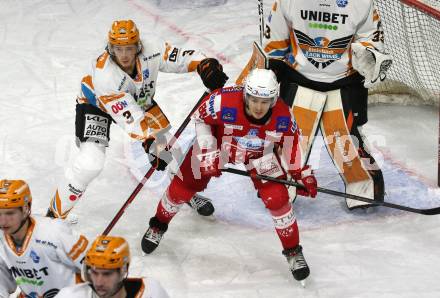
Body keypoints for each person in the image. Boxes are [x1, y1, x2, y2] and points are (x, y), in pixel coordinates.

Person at [141, 68, 318, 283]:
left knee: (278, 199)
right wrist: (207, 150)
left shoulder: (283, 115)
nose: (259, 107)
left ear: (273, 100)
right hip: (220, 145)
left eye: (265, 101)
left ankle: (293, 252)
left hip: (260, 154)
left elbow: (291, 144)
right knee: (182, 186)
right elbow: (200, 118)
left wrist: (299, 173)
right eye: (253, 100)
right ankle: (157, 225)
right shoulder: (222, 101)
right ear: (245, 95)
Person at [45, 19, 228, 221]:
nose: (123, 55)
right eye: (118, 49)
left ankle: (184, 193)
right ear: (110, 48)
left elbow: (179, 58)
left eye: (129, 48)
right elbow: (130, 118)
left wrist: (204, 64)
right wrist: (150, 142)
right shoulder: (105, 75)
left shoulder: (153, 48)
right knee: (90, 163)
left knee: (172, 151)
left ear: (138, 46)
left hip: (139, 100)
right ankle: (53, 217)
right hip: (97, 104)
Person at [258, 0, 392, 209]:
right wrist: (269, 75)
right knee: (290, 141)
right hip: (298, 78)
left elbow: (372, 40)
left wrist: (369, 55)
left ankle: (362, 187)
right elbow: (275, 43)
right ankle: (279, 183)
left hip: (345, 81)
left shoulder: (361, 2)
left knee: (345, 141)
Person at [0, 180, 88, 297]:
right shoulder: (2, 240)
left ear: (25, 209)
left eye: (10, 213)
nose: (3, 221)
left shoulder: (52, 233)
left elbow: (96, 269)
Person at [56, 235, 169, 298]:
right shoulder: (70, 295)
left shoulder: (151, 291)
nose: (98, 282)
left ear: (123, 270)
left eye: (107, 274)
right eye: (94, 273)